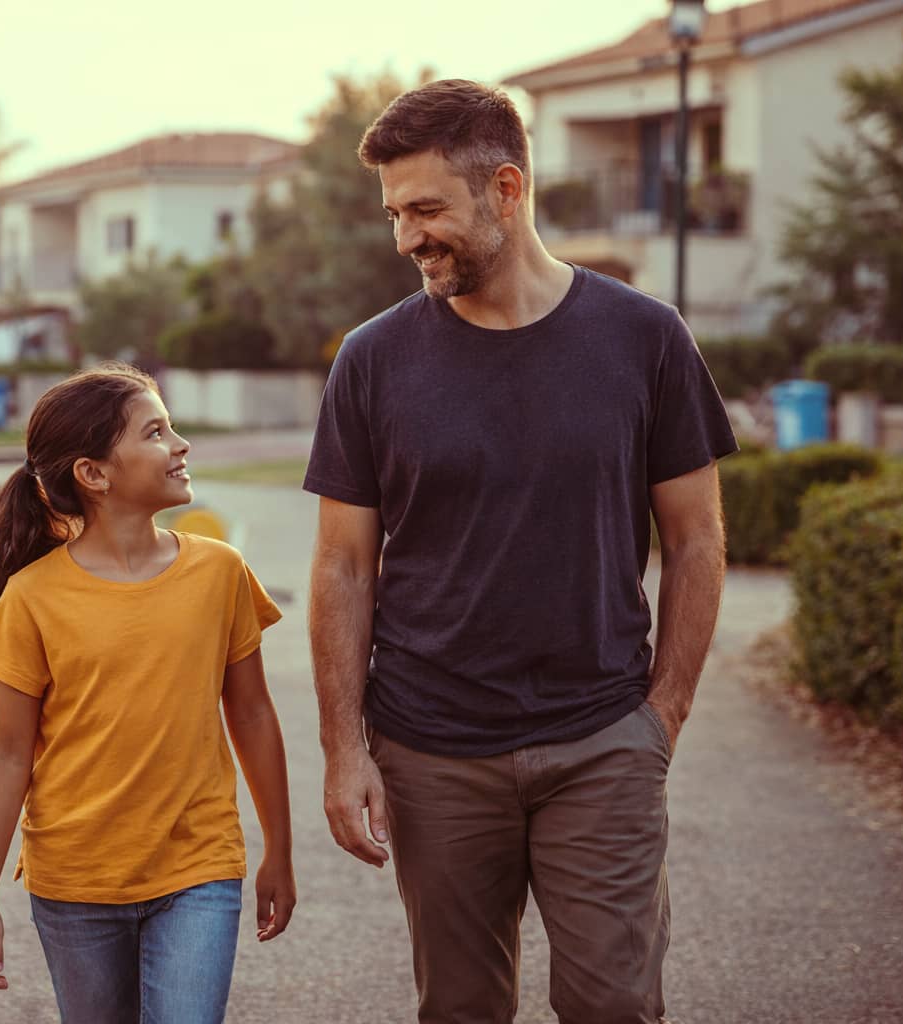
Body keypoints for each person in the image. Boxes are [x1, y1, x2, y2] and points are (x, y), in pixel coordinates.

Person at [304, 80, 736, 1024]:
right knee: (460, 1008)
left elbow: (696, 537)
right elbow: (342, 566)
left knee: (615, 1006)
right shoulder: (372, 360)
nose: (407, 238)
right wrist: (343, 750)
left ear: (505, 189)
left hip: (603, 740)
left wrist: (662, 715)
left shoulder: (646, 338)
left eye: (427, 210)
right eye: (394, 214)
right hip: (430, 747)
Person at [0, 362, 296, 1023]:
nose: (181, 445)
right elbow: (6, 753)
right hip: (74, 879)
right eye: (156, 433)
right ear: (94, 473)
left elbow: (253, 715)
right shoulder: (33, 597)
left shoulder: (220, 572)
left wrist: (279, 851)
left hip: (199, 865)